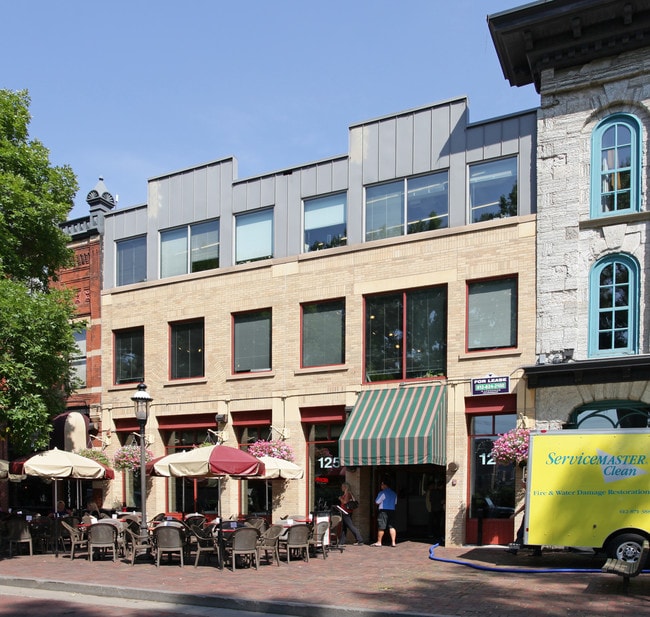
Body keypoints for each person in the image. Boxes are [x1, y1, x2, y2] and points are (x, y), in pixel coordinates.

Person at [371, 478, 397, 547]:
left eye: (382, 484)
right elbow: (395, 503)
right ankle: (393, 542)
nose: (381, 486)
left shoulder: (382, 493)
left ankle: (379, 542)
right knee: (392, 526)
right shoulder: (394, 493)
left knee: (381, 526)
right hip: (392, 510)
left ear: (385, 485)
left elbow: (377, 502)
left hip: (383, 511)